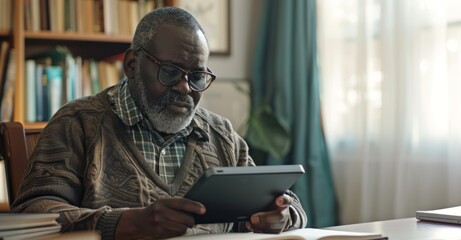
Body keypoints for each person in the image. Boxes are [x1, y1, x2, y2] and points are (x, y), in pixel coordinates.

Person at [12, 7, 307, 240]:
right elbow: (33, 214)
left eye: (197, 77)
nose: (185, 88)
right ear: (131, 65)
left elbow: (283, 203)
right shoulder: (78, 123)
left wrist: (284, 214)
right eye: (170, 72)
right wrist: (127, 224)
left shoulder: (222, 135)